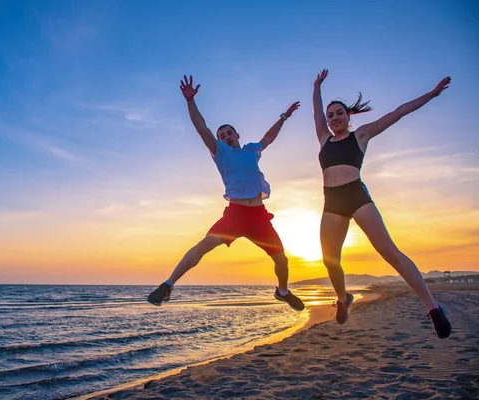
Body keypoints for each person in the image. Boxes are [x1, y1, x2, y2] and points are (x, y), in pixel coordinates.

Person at [312, 69, 452, 338]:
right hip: (332, 202)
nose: (334, 118)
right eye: (331, 116)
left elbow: (397, 113)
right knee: (330, 261)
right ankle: (343, 299)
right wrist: (316, 87)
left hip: (356, 196)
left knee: (390, 253)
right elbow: (316, 111)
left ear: (348, 116)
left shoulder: (361, 135)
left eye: (339, 113)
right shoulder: (323, 138)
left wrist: (433, 94)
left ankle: (433, 308)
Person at [147, 75, 304, 311]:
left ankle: (282, 291)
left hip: (258, 217)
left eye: (229, 133)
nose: (226, 137)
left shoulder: (252, 149)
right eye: (222, 136)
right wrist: (190, 102)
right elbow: (201, 129)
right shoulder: (219, 152)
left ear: (237, 135)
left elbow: (269, 137)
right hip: (235, 215)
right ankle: (168, 285)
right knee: (202, 247)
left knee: (281, 259)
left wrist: (284, 117)